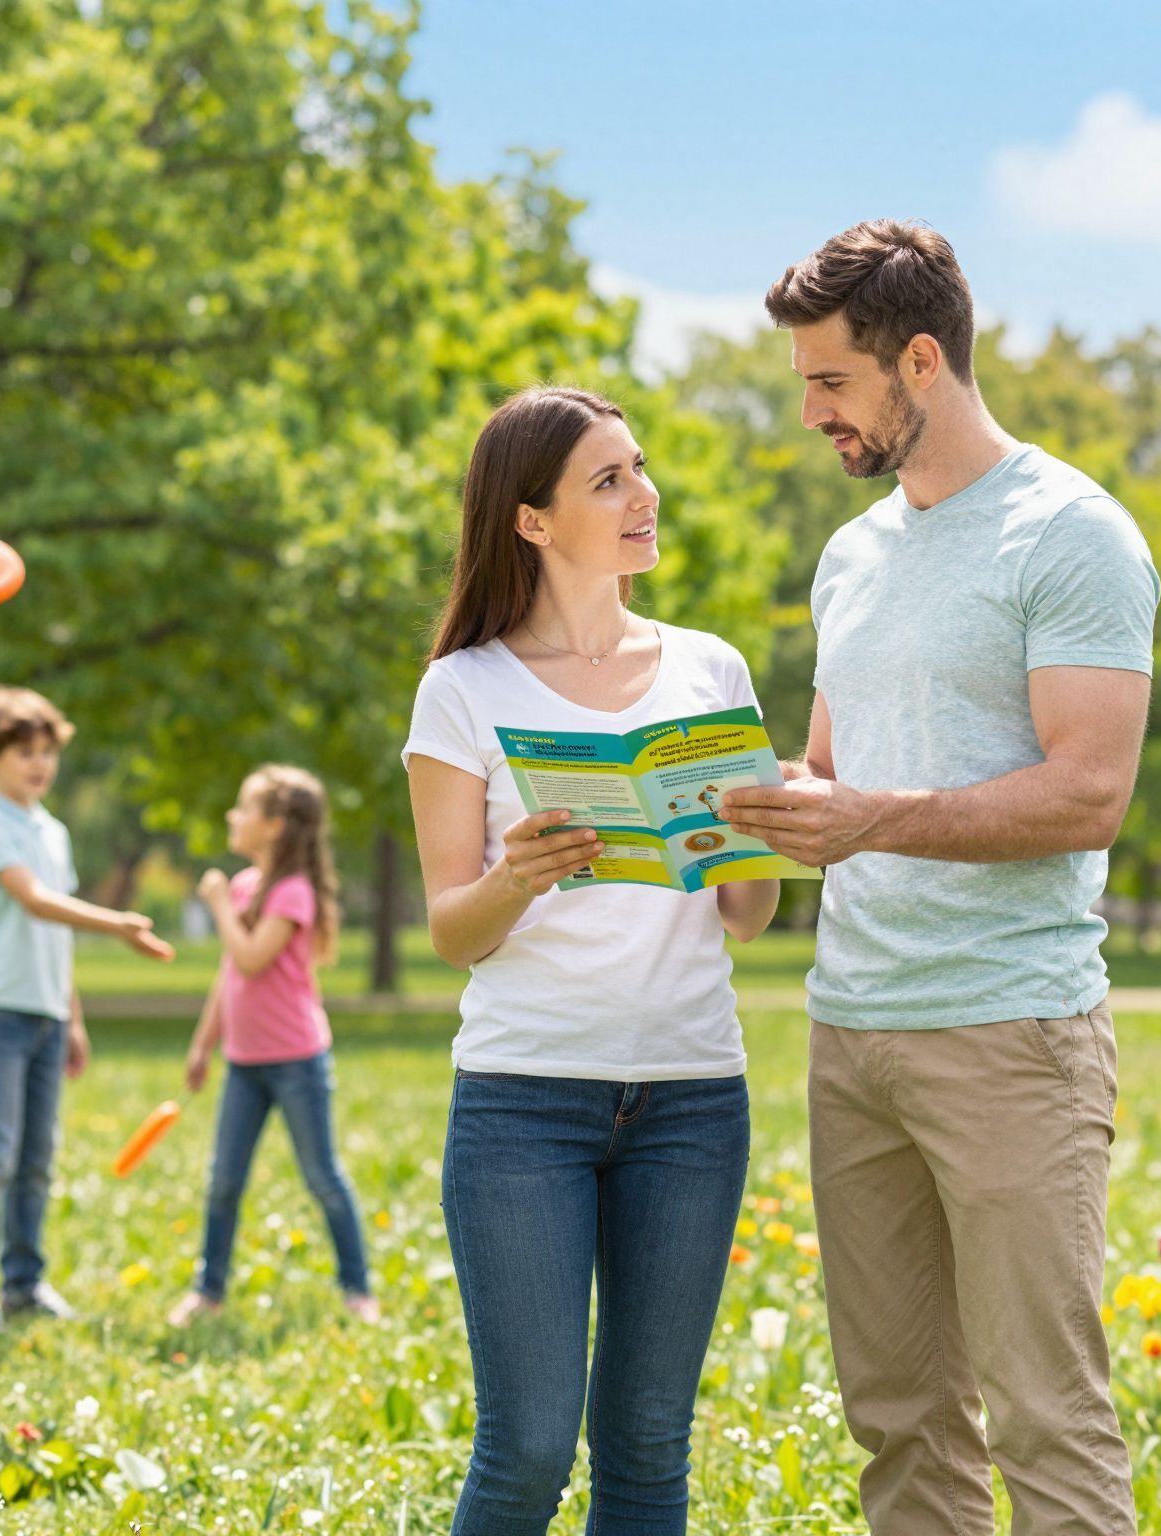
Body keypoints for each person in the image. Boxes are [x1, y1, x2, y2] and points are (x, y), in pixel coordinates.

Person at [721, 220, 1160, 1536]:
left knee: (1046, 1413)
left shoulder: (1069, 534)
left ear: (921, 361)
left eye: (831, 382)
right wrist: (711, 806)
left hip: (1008, 1033)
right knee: (899, 1417)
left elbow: (1090, 791)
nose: (811, 414)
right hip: (854, 1034)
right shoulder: (849, 559)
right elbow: (828, 779)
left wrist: (873, 819)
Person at [403, 385, 780, 1533]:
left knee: (646, 1451)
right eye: (607, 479)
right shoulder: (464, 688)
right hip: (524, 1103)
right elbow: (449, 930)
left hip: (689, 1099)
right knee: (523, 1448)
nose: (643, 496)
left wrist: (736, 837)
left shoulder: (709, 671)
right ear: (531, 521)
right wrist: (515, 875)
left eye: (639, 468)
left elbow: (751, 916)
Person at [0, 685, 175, 1333]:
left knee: (37, 1157)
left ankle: (23, 1283)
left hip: (44, 1014)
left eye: (47, 752)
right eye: (24, 753)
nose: (40, 764)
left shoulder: (53, 830)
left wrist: (71, 1018)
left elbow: (57, 934)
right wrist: (120, 923)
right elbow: (36, 901)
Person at [167, 765, 377, 1327]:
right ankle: (208, 1290)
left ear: (276, 826)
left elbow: (253, 956)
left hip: (296, 1061)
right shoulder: (244, 886)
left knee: (322, 1177)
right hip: (243, 1063)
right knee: (224, 1180)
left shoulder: (293, 892)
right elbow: (230, 973)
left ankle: (358, 1290)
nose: (233, 817)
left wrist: (215, 906)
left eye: (244, 808)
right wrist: (202, 1044)